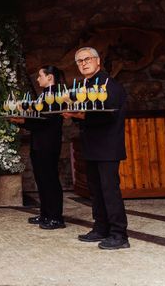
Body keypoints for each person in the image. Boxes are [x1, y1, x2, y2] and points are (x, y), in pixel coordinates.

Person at [63, 46, 129, 250]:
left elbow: (107, 114)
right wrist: (76, 115)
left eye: (87, 59)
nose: (83, 63)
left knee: (110, 191)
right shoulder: (85, 85)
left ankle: (119, 235)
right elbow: (87, 116)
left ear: (98, 61)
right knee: (96, 191)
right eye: (79, 61)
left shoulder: (109, 85)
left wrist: (78, 115)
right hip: (91, 146)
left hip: (108, 147)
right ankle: (101, 228)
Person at [10, 66, 65, 230]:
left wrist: (23, 122)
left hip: (49, 144)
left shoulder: (55, 95)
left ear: (50, 77)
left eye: (40, 75)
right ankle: (45, 214)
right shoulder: (44, 95)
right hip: (39, 143)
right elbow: (40, 118)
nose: (37, 79)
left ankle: (56, 218)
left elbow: (47, 121)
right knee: (41, 179)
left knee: (50, 180)